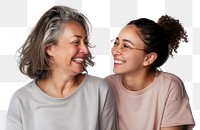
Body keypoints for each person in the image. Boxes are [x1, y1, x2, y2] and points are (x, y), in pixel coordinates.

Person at [6, 5, 117, 130]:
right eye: (76, 42)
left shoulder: (100, 90)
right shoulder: (21, 100)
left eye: (85, 42)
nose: (85, 50)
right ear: (50, 49)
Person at [105, 15, 195, 130]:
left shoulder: (169, 86)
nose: (115, 50)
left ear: (148, 58)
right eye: (116, 43)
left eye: (126, 46)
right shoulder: (107, 85)